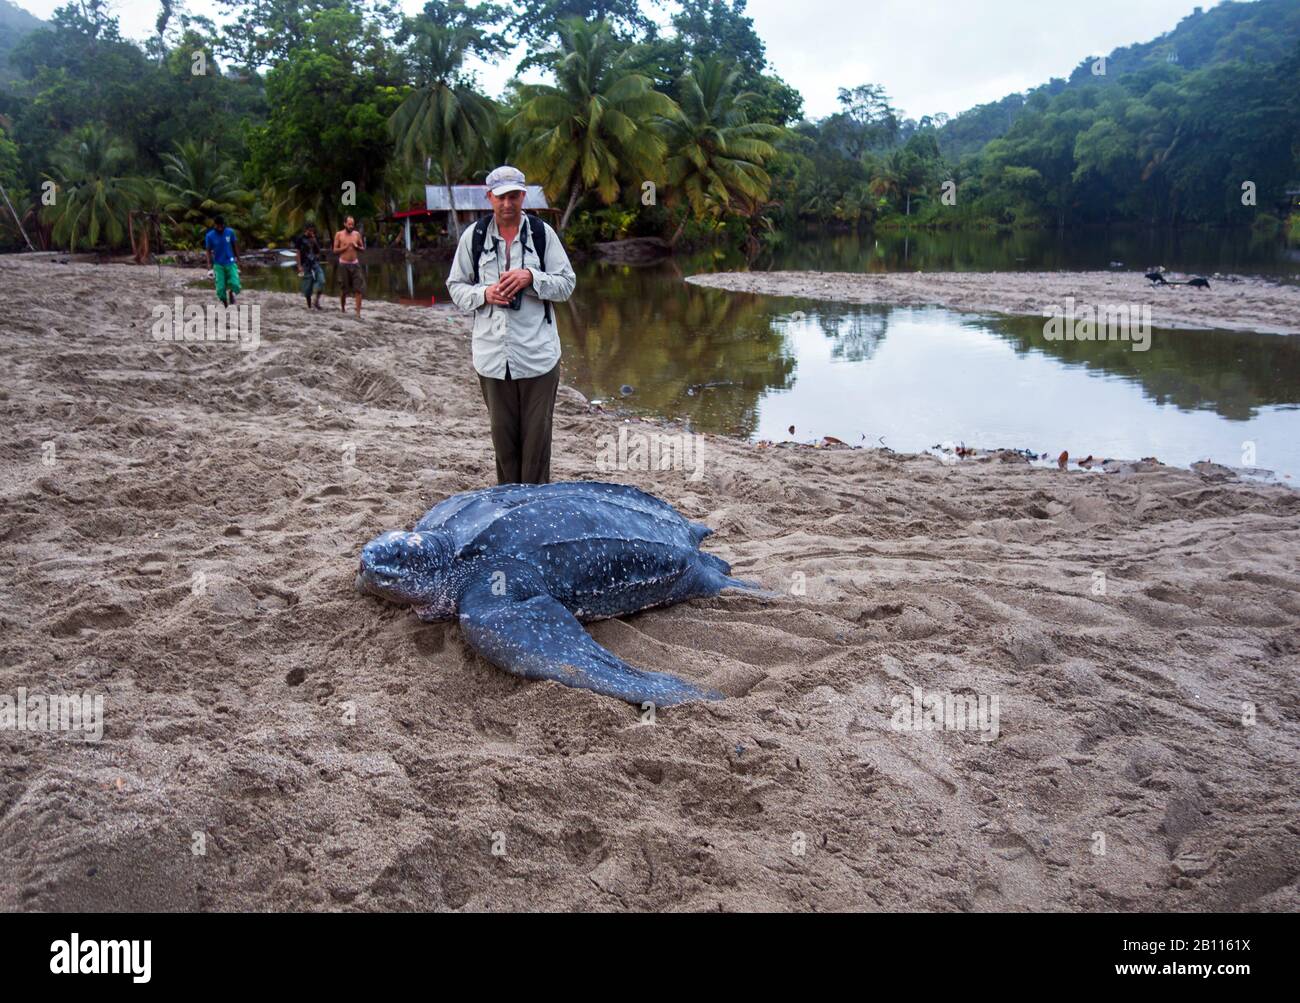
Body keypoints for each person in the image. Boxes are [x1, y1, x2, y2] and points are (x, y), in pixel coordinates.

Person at [446, 165, 576, 485]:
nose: (508, 204)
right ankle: (508, 503)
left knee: (536, 442)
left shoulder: (543, 235)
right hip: (492, 357)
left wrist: (531, 278)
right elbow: (456, 286)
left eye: (514, 196)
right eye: (501, 197)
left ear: (523, 196)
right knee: (503, 441)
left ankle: (535, 506)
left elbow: (567, 284)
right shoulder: (473, 237)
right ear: (489, 197)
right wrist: (485, 293)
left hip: (538, 356)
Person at [203, 215, 240, 306]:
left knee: (235, 283)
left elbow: (234, 245)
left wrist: (238, 258)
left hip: (230, 262)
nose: (219, 228)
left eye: (221, 226)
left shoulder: (230, 232)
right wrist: (209, 266)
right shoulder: (209, 236)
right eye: (217, 226)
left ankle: (231, 293)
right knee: (220, 288)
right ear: (214, 225)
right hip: (218, 264)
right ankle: (225, 304)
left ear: (224, 225)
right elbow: (208, 251)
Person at [333, 216, 365, 317]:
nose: (351, 226)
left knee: (358, 289)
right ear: (345, 224)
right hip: (343, 265)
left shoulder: (357, 234)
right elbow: (335, 250)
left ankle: (358, 313)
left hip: (355, 264)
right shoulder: (339, 234)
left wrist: (357, 247)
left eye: (353, 224)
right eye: (349, 224)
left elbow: (363, 249)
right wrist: (345, 247)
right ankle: (342, 308)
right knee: (344, 290)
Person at [295, 222, 326, 310]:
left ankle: (316, 301)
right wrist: (299, 266)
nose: (311, 232)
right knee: (307, 288)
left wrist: (315, 241)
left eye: (313, 230)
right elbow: (298, 253)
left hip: (315, 263)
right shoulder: (300, 239)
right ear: (306, 230)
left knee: (322, 280)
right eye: (310, 230)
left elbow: (318, 251)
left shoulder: (314, 238)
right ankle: (309, 306)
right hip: (305, 264)